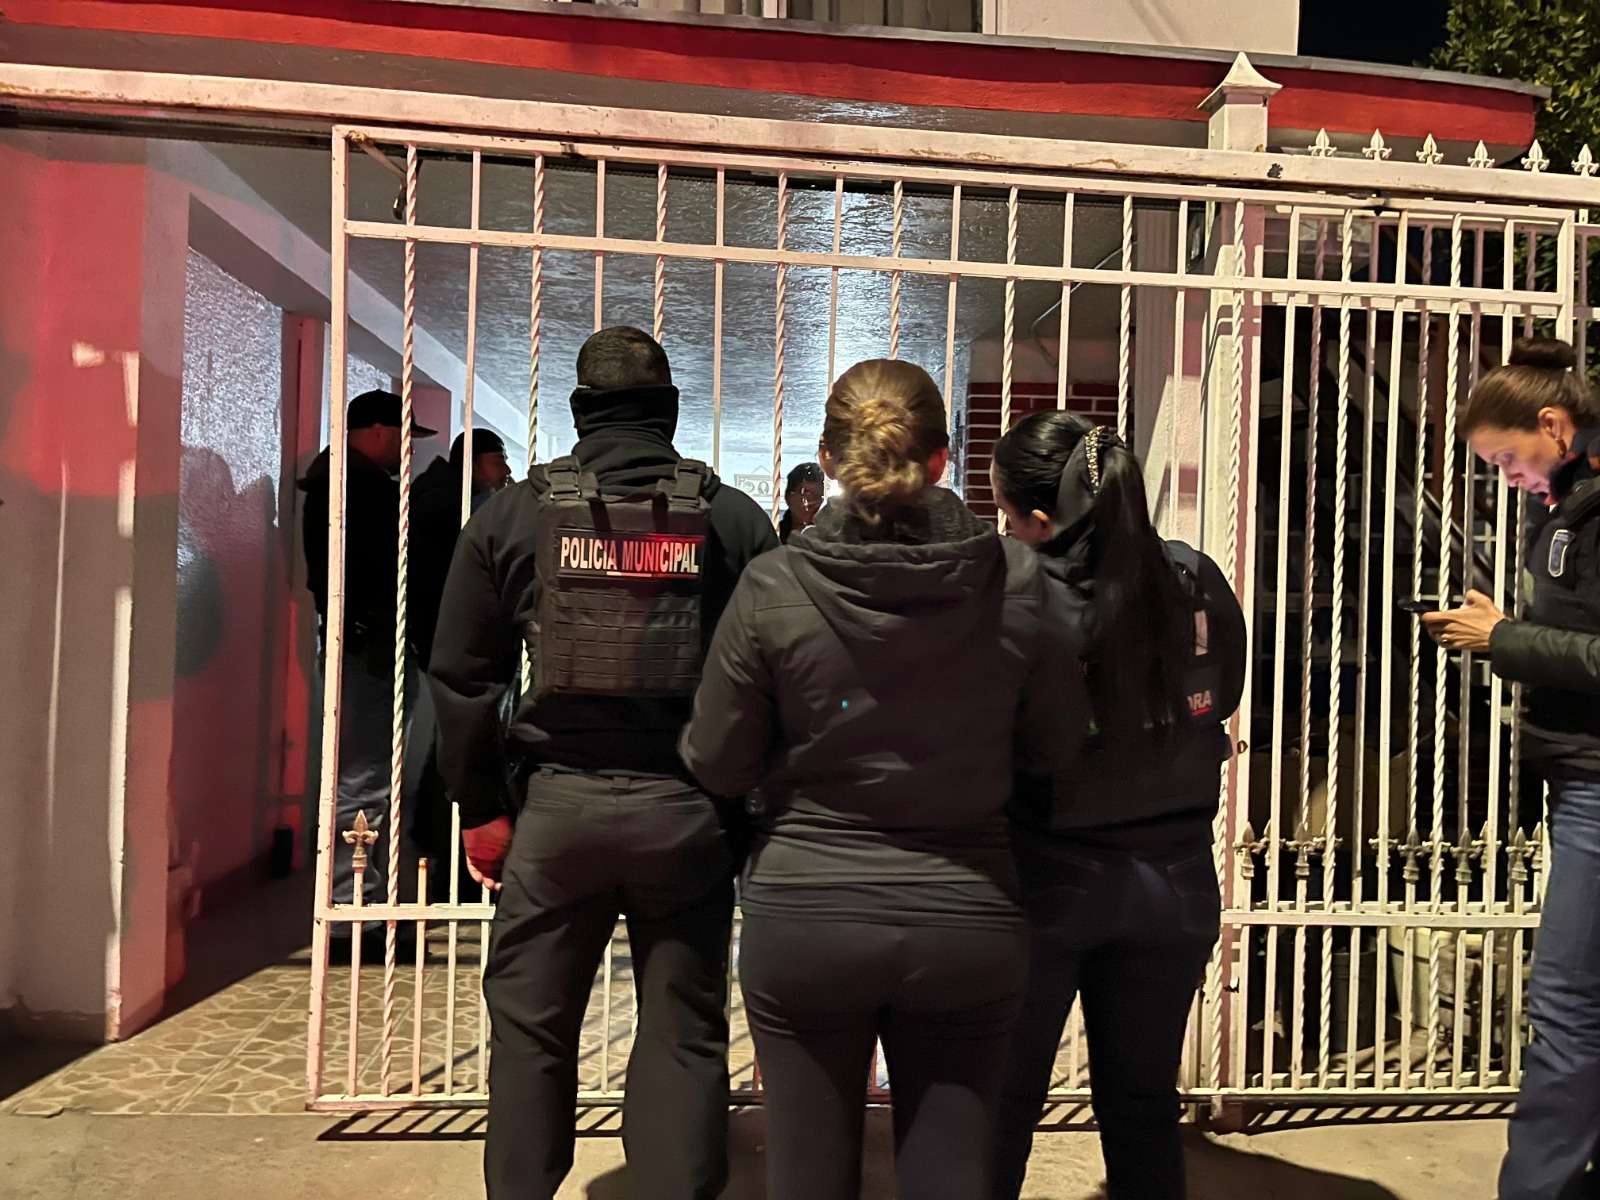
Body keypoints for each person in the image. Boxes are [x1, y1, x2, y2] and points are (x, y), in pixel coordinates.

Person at [679, 359, 1086, 1200]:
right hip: (967, 913)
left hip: (807, 916)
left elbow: (719, 759)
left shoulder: (774, 585)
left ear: (829, 458)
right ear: (942, 459)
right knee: (952, 1176)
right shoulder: (1020, 582)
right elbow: (1055, 749)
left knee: (806, 1176)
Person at [427, 326, 777, 1200]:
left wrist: (482, 807)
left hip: (556, 815)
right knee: (683, 1032)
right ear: (669, 411)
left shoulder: (510, 516)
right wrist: (744, 812)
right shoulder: (734, 520)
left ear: (581, 410)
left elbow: (464, 681)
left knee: (531, 1031)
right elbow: (774, 682)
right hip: (688, 814)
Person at [989, 412, 1247, 1200]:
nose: (1006, 531)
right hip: (1176, 881)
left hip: (1044, 877)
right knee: (1142, 1109)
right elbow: (1224, 694)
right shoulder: (1193, 577)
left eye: (1007, 516)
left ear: (1040, 520)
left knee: (1001, 1107)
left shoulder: (1017, 592)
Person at [1420, 337, 1600, 1200]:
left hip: (1597, 785)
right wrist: (1507, 630)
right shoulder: (1567, 503)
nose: (1507, 476)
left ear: (1553, 425)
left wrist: (1506, 639)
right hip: (1579, 778)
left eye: (1506, 458)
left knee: (1567, 1004)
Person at [299, 388, 438, 912]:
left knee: (364, 779)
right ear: (379, 431)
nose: (409, 449)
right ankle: (351, 912)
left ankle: (358, 903)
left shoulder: (339, 483)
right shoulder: (361, 491)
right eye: (405, 437)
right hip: (371, 648)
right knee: (363, 781)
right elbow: (387, 575)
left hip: (361, 644)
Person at [408, 427, 515, 899]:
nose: (506, 470)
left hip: (441, 642)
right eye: (498, 460)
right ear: (475, 462)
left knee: (451, 743)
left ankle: (439, 846)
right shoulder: (454, 506)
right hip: (453, 645)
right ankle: (449, 858)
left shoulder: (446, 498)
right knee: (459, 744)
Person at [778, 461, 824, 543]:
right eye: (807, 494)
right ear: (788, 497)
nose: (815, 503)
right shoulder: (774, 536)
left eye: (820, 496)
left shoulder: (831, 539)